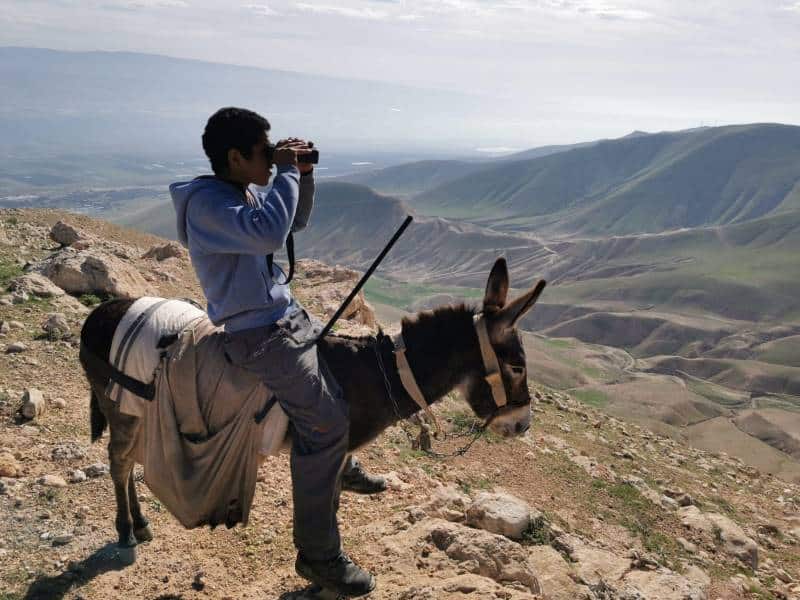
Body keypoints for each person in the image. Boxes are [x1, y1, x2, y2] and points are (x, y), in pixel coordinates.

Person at [169, 107, 383, 596]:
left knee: (346, 384)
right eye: (265, 152)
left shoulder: (237, 192)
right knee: (327, 425)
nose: (272, 159)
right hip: (258, 334)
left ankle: (339, 466)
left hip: (284, 318)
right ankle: (319, 558)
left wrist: (300, 175)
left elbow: (291, 222)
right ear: (236, 157)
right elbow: (268, 233)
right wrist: (284, 171)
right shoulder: (208, 207)